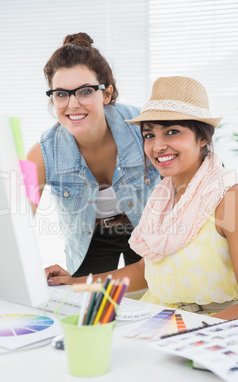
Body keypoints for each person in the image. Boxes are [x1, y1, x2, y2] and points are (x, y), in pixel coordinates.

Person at [46, 75, 238, 320]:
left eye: (172, 132)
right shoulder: (162, 196)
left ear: (202, 138)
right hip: (161, 316)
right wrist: (75, 282)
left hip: (212, 329)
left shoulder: (231, 198)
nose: (158, 146)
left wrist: (190, 333)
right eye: (149, 135)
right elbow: (147, 269)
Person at [28, 32, 159, 277]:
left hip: (148, 228)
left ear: (107, 94)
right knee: (85, 302)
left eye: (85, 91)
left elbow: (192, 168)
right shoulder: (41, 154)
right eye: (61, 94)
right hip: (90, 237)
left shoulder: (143, 128)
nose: (73, 104)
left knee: (155, 295)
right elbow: (15, 226)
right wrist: (28, 273)